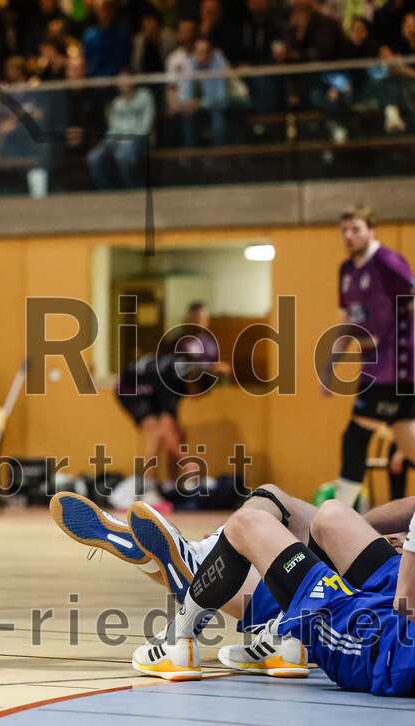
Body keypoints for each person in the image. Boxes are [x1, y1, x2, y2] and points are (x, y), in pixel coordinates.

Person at [132, 491, 415, 695]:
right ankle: (287, 633)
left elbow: (407, 599)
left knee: (247, 524)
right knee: (331, 516)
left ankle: (178, 640)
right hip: (399, 615)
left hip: (387, 646)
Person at [319, 205, 415, 508]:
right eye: (344, 230)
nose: (348, 235)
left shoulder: (386, 261)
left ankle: (338, 516)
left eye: (356, 229)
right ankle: (340, 515)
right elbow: (346, 325)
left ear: (372, 231)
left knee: (355, 436)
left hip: (396, 367)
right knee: (406, 437)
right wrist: (329, 368)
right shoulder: (346, 271)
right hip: (375, 367)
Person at [114, 342, 219, 503]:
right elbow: (165, 428)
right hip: (130, 388)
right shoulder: (172, 379)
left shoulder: (184, 376)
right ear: (191, 382)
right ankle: (150, 488)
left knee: (179, 434)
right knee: (155, 432)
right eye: (198, 394)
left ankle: (171, 485)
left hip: (151, 390)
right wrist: (188, 462)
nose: (197, 399)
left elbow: (171, 425)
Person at [86, 70, 154, 190]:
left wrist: (125, 143)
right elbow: (113, 128)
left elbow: (146, 125)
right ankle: (108, 193)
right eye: (119, 80)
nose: (122, 83)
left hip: (137, 140)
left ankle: (134, 191)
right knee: (93, 157)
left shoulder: (144, 96)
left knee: (123, 156)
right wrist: (105, 143)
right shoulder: (117, 102)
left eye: (125, 79)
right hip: (116, 141)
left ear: (134, 80)